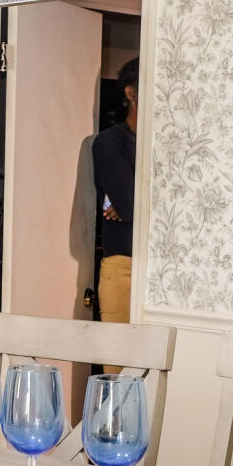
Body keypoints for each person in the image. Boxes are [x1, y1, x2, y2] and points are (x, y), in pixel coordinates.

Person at [91, 59, 137, 324]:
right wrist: (126, 204)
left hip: (163, 270)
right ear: (131, 94)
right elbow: (130, 205)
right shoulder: (111, 141)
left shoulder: (168, 146)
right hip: (124, 268)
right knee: (120, 352)